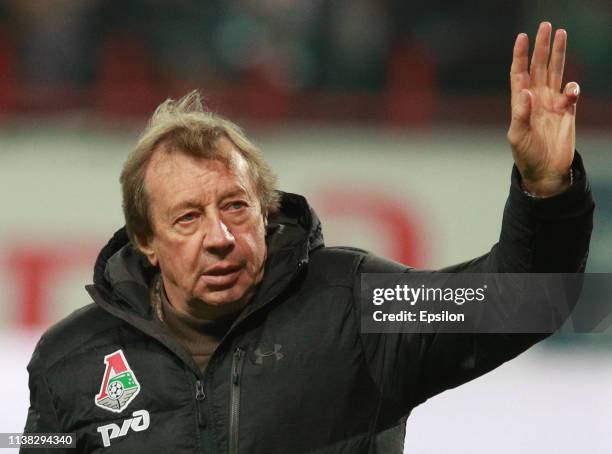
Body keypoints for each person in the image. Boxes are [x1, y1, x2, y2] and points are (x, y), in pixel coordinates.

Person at [22, 22, 594, 453]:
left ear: (266, 214)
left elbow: (520, 300)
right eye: (188, 218)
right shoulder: (69, 360)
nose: (220, 236)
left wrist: (546, 188)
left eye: (236, 207)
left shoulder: (358, 304)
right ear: (145, 240)